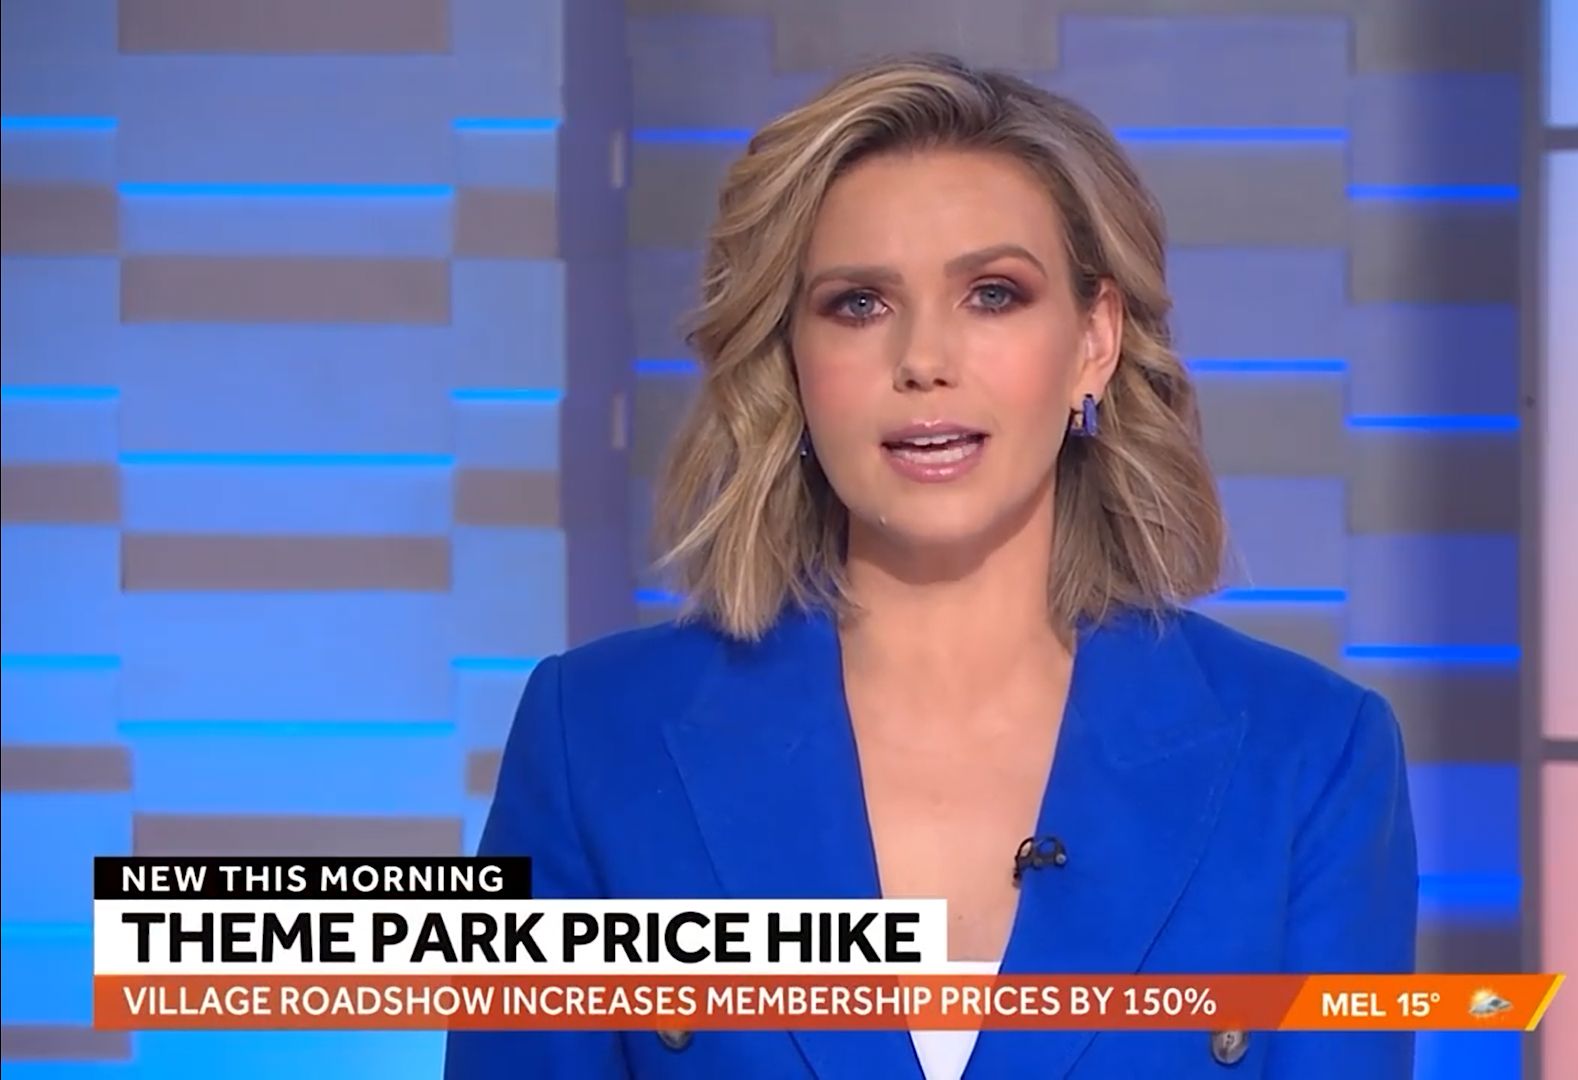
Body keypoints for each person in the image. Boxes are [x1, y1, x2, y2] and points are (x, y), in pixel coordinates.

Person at [445, 52, 1416, 1079]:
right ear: (792, 359)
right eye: (859, 304)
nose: (923, 360)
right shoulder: (595, 738)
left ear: (1093, 341)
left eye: (993, 294)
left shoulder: (1310, 758)